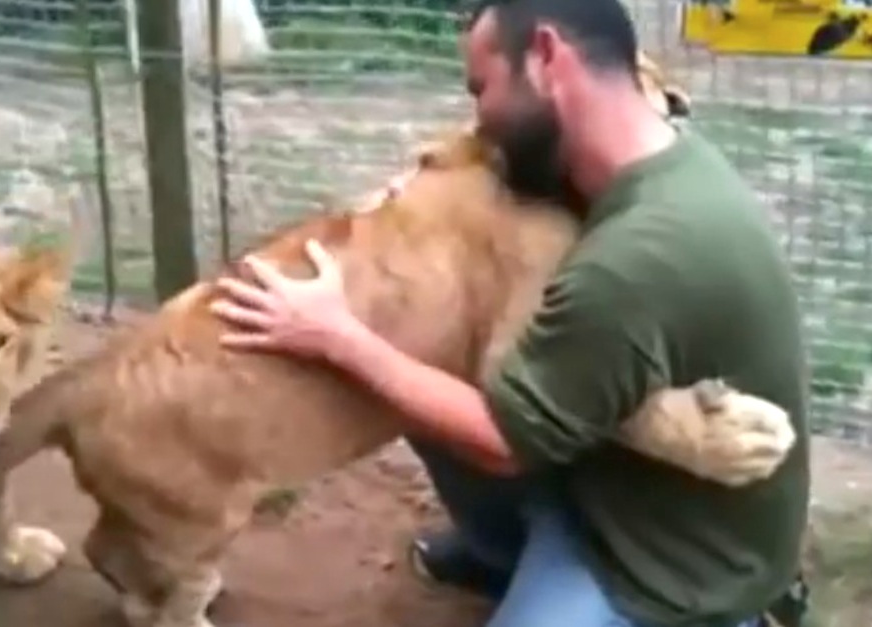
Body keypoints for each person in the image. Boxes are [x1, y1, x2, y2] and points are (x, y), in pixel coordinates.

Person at [207, 0, 811, 625]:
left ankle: (737, 616)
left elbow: (502, 441)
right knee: (425, 368)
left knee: (428, 390)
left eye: (482, 89)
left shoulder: (625, 262)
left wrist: (336, 335)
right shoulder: (646, 156)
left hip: (671, 559)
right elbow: (470, 180)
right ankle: (504, 552)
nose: (479, 118)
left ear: (548, 58)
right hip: (610, 475)